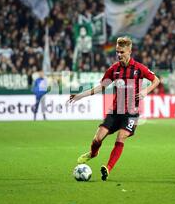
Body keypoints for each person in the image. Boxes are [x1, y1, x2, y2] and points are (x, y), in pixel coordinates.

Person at [68, 37, 160, 181]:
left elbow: (156, 80)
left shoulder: (139, 68)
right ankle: (93, 153)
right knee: (98, 138)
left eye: (122, 52)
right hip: (115, 111)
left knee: (121, 137)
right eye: (117, 52)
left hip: (131, 112)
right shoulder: (114, 69)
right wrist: (80, 96)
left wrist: (145, 91)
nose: (119, 55)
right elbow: (101, 87)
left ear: (129, 51)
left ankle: (108, 168)